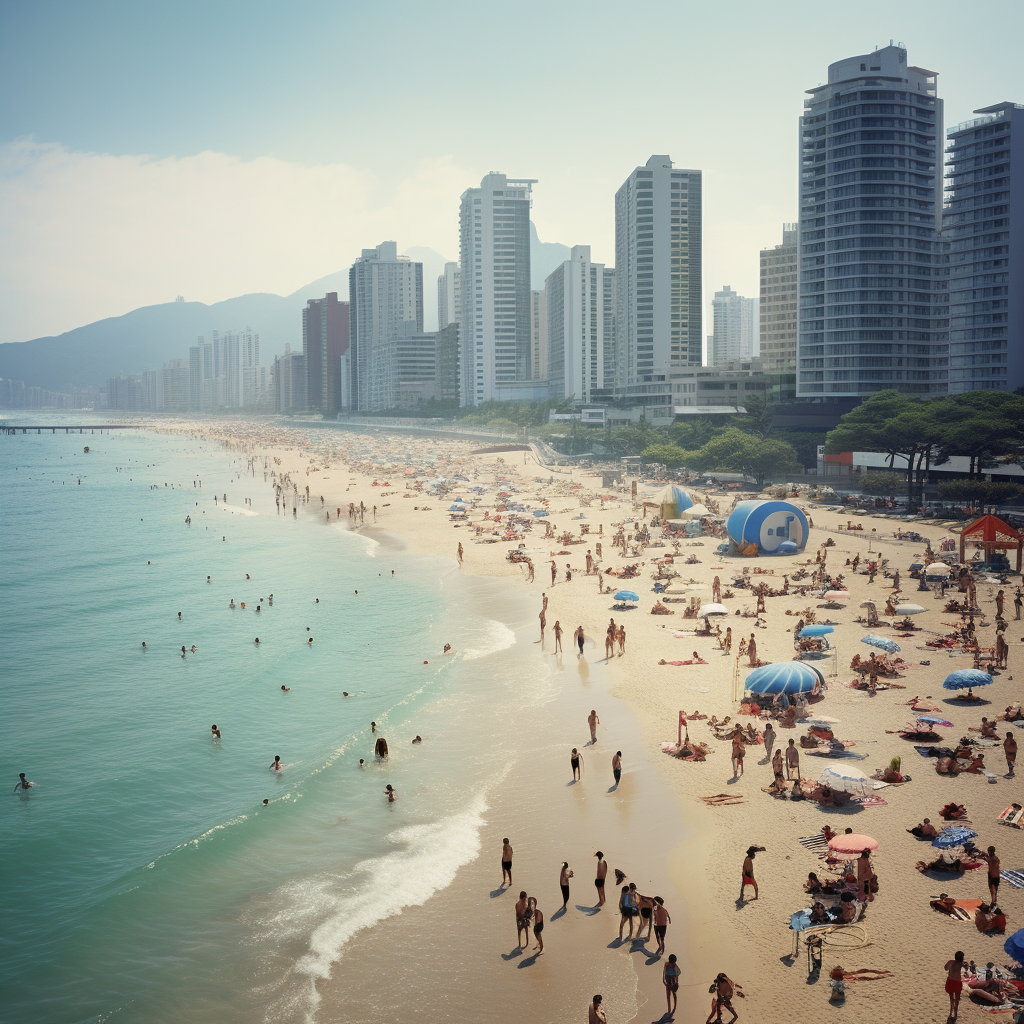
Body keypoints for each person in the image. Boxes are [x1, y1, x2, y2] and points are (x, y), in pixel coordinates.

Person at [944, 951, 965, 1019]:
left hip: (950, 981)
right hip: (957, 982)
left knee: (951, 998)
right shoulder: (961, 963)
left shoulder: (951, 962)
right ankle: (955, 1012)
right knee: (957, 998)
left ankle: (951, 1012)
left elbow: (945, 968)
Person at [663, 954, 681, 1018]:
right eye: (672, 962)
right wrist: (664, 982)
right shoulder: (666, 964)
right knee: (668, 995)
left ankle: (675, 1006)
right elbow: (664, 974)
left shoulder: (675, 965)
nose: (673, 963)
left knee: (674, 994)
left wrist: (675, 982)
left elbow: (679, 972)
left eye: (674, 962)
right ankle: (669, 1009)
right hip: (668, 981)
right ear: (669, 961)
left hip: (673, 980)